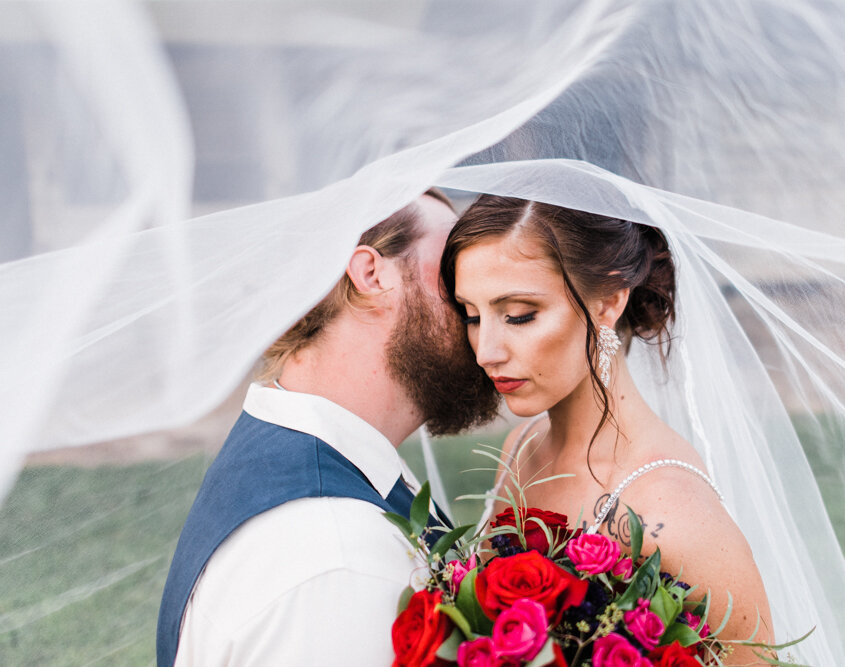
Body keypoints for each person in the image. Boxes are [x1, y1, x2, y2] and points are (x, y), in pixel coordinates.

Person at [156, 190, 500, 666]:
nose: (476, 299)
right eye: (452, 267)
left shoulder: (307, 443)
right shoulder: (338, 558)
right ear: (371, 274)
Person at [441, 195, 773, 665]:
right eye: (473, 317)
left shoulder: (678, 519)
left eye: (518, 314)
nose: (486, 351)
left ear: (610, 300)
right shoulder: (522, 446)